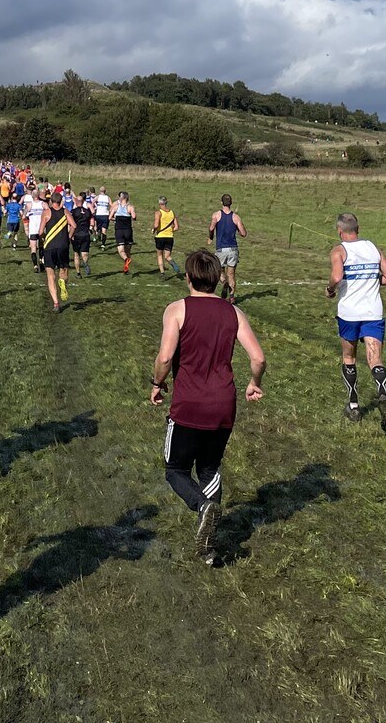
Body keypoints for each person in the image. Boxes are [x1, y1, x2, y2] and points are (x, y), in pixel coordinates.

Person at [149, 249, 267, 565]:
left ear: (188, 277)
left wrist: (157, 384)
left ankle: (204, 508)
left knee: (175, 470)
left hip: (188, 404)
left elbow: (164, 358)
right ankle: (208, 546)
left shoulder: (176, 310)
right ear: (216, 279)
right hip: (223, 405)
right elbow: (258, 358)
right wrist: (254, 383)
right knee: (209, 468)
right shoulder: (234, 313)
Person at [326, 212, 386, 430]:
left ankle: (354, 406)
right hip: (373, 311)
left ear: (339, 230)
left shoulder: (339, 250)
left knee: (349, 357)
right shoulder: (373, 248)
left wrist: (330, 289)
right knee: (375, 358)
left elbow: (337, 277)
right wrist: (370, 281)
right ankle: (382, 394)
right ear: (359, 228)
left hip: (350, 313)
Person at [209, 194, 246, 299]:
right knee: (231, 275)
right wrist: (239, 227)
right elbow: (243, 233)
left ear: (221, 202)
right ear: (231, 203)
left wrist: (210, 237)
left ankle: (224, 282)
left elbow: (211, 228)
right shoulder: (236, 217)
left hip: (221, 249)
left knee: (219, 271)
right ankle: (232, 297)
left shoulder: (216, 215)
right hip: (233, 249)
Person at [42, 192, 73, 311]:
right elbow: (74, 225)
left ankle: (56, 303)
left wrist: (44, 237)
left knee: (50, 275)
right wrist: (68, 237)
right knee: (63, 269)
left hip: (49, 246)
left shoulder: (46, 213)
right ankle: (62, 281)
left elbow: (40, 231)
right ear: (61, 201)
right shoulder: (65, 212)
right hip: (63, 245)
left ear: (51, 202)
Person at [153, 196, 179, 277]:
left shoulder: (158, 213)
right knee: (167, 256)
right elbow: (176, 227)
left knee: (160, 255)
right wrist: (170, 230)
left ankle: (162, 273)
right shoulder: (172, 213)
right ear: (166, 202)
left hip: (160, 237)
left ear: (159, 203)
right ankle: (174, 265)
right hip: (169, 237)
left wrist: (153, 229)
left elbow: (156, 225)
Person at [112, 191, 136, 273]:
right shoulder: (130, 207)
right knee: (128, 250)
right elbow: (134, 217)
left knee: (121, 250)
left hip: (119, 230)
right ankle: (126, 267)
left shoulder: (115, 207)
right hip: (128, 231)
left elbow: (109, 217)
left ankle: (126, 260)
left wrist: (116, 219)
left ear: (121, 198)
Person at [71, 193, 94, 278]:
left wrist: (70, 234)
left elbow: (71, 223)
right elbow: (92, 220)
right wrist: (91, 228)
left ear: (76, 202)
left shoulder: (73, 212)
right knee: (84, 253)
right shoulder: (88, 211)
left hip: (76, 234)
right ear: (83, 201)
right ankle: (85, 263)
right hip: (85, 234)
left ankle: (78, 273)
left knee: (76, 254)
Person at [25, 188, 48, 271]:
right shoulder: (44, 204)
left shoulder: (29, 205)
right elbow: (49, 214)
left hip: (33, 229)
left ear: (32, 196)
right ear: (39, 195)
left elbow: (24, 216)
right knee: (42, 246)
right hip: (41, 229)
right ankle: (41, 261)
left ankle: (35, 265)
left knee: (33, 248)